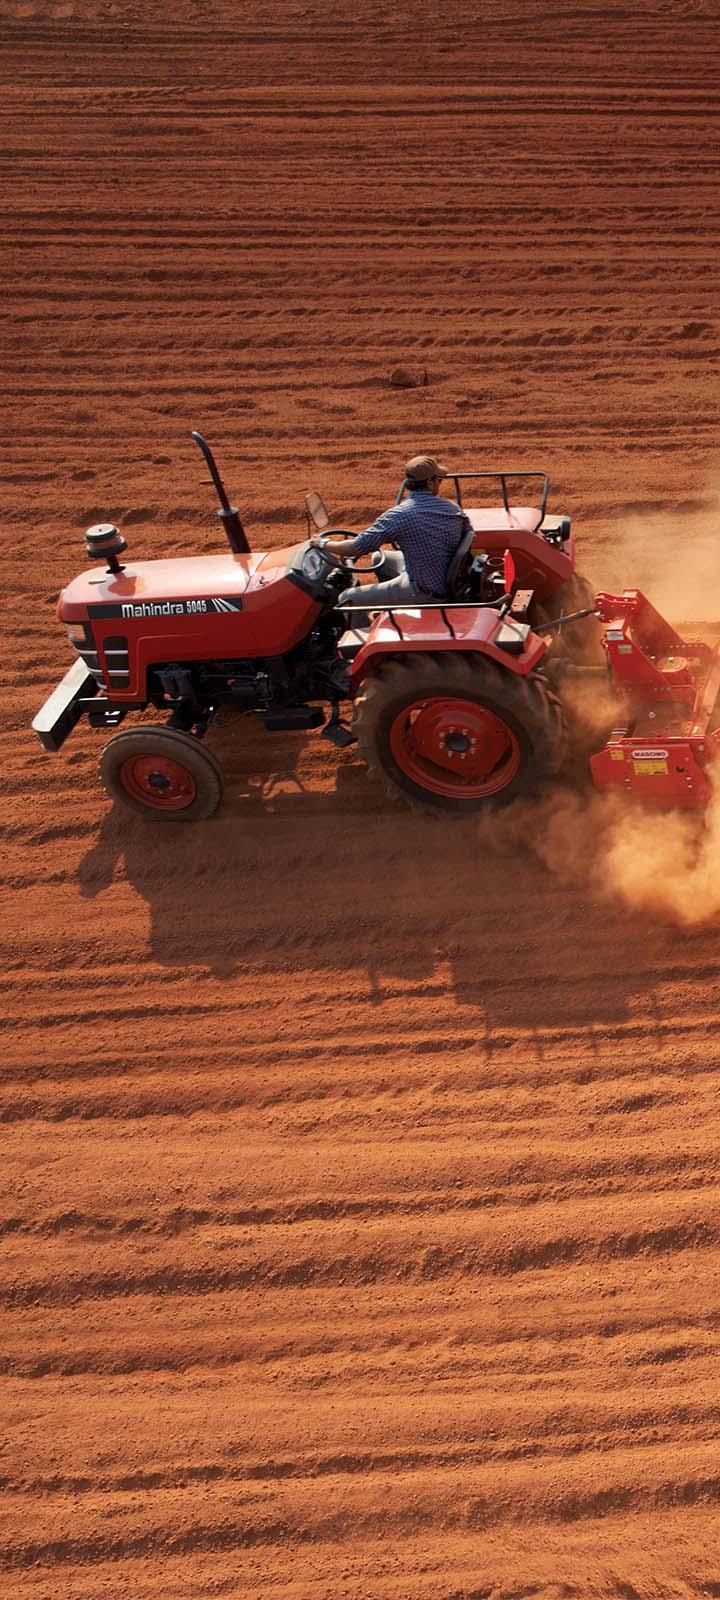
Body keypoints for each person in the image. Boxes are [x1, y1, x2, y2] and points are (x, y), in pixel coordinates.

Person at [311, 454, 470, 612]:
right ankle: (389, 610)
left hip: (423, 590)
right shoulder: (452, 508)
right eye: (439, 480)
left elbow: (355, 548)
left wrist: (323, 543)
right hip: (440, 575)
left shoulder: (400, 515)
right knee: (378, 557)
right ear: (429, 482)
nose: (440, 484)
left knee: (347, 598)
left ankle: (371, 626)